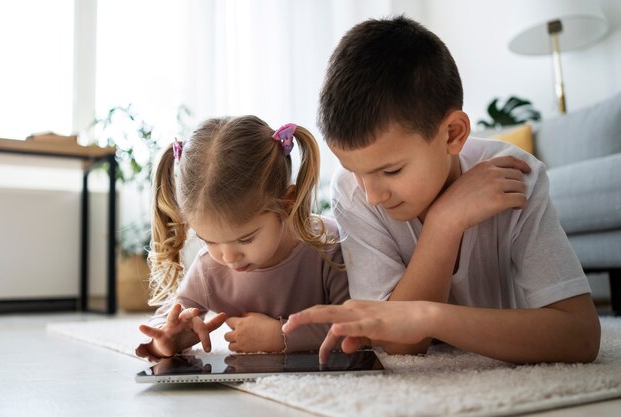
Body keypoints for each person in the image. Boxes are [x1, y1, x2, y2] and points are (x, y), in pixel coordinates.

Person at [283, 16, 600, 364]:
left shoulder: (513, 178)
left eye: (391, 170)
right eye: (353, 170)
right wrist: (444, 223)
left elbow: (581, 337)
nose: (372, 194)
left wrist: (428, 318)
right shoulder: (353, 193)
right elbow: (398, 344)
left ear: (452, 134)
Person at [135, 116, 348, 361]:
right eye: (209, 240)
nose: (227, 257)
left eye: (245, 239)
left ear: (287, 204)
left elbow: (358, 324)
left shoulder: (327, 244)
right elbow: (169, 317)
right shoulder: (208, 267)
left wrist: (282, 336)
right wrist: (167, 340)